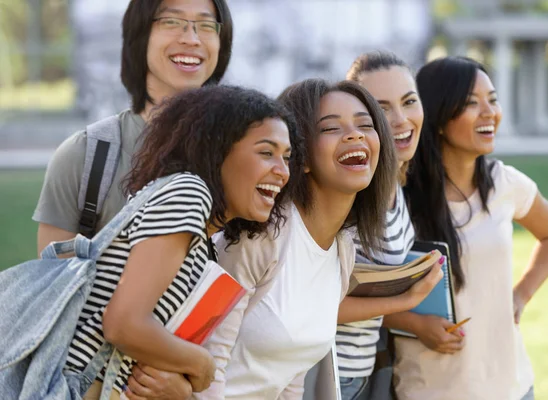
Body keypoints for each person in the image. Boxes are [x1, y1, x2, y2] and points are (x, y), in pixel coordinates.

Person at [63, 85, 300, 399]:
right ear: (218, 151)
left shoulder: (202, 244)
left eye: (287, 158)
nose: (282, 172)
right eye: (266, 152)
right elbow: (123, 324)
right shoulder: (188, 193)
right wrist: (203, 366)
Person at [194, 79, 397, 399]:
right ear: (297, 154)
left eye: (365, 125)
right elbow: (207, 364)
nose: (355, 135)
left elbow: (292, 374)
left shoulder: (342, 250)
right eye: (331, 128)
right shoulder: (259, 236)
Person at [385, 56, 548, 400]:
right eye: (472, 103)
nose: (490, 112)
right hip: (429, 390)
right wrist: (414, 325)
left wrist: (521, 295)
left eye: (493, 99)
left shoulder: (505, 184)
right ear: (439, 116)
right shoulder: (397, 199)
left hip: (511, 388)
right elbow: (353, 298)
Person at [34, 0, 233, 251]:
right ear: (138, 36)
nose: (191, 39)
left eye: (206, 25)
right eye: (171, 21)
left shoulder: (247, 152)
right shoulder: (84, 156)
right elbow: (56, 285)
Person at [334, 51, 442, 400]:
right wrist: (406, 300)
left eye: (409, 102)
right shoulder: (353, 195)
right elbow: (313, 303)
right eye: (382, 109)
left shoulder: (393, 184)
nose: (401, 119)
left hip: (362, 374)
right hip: (326, 377)